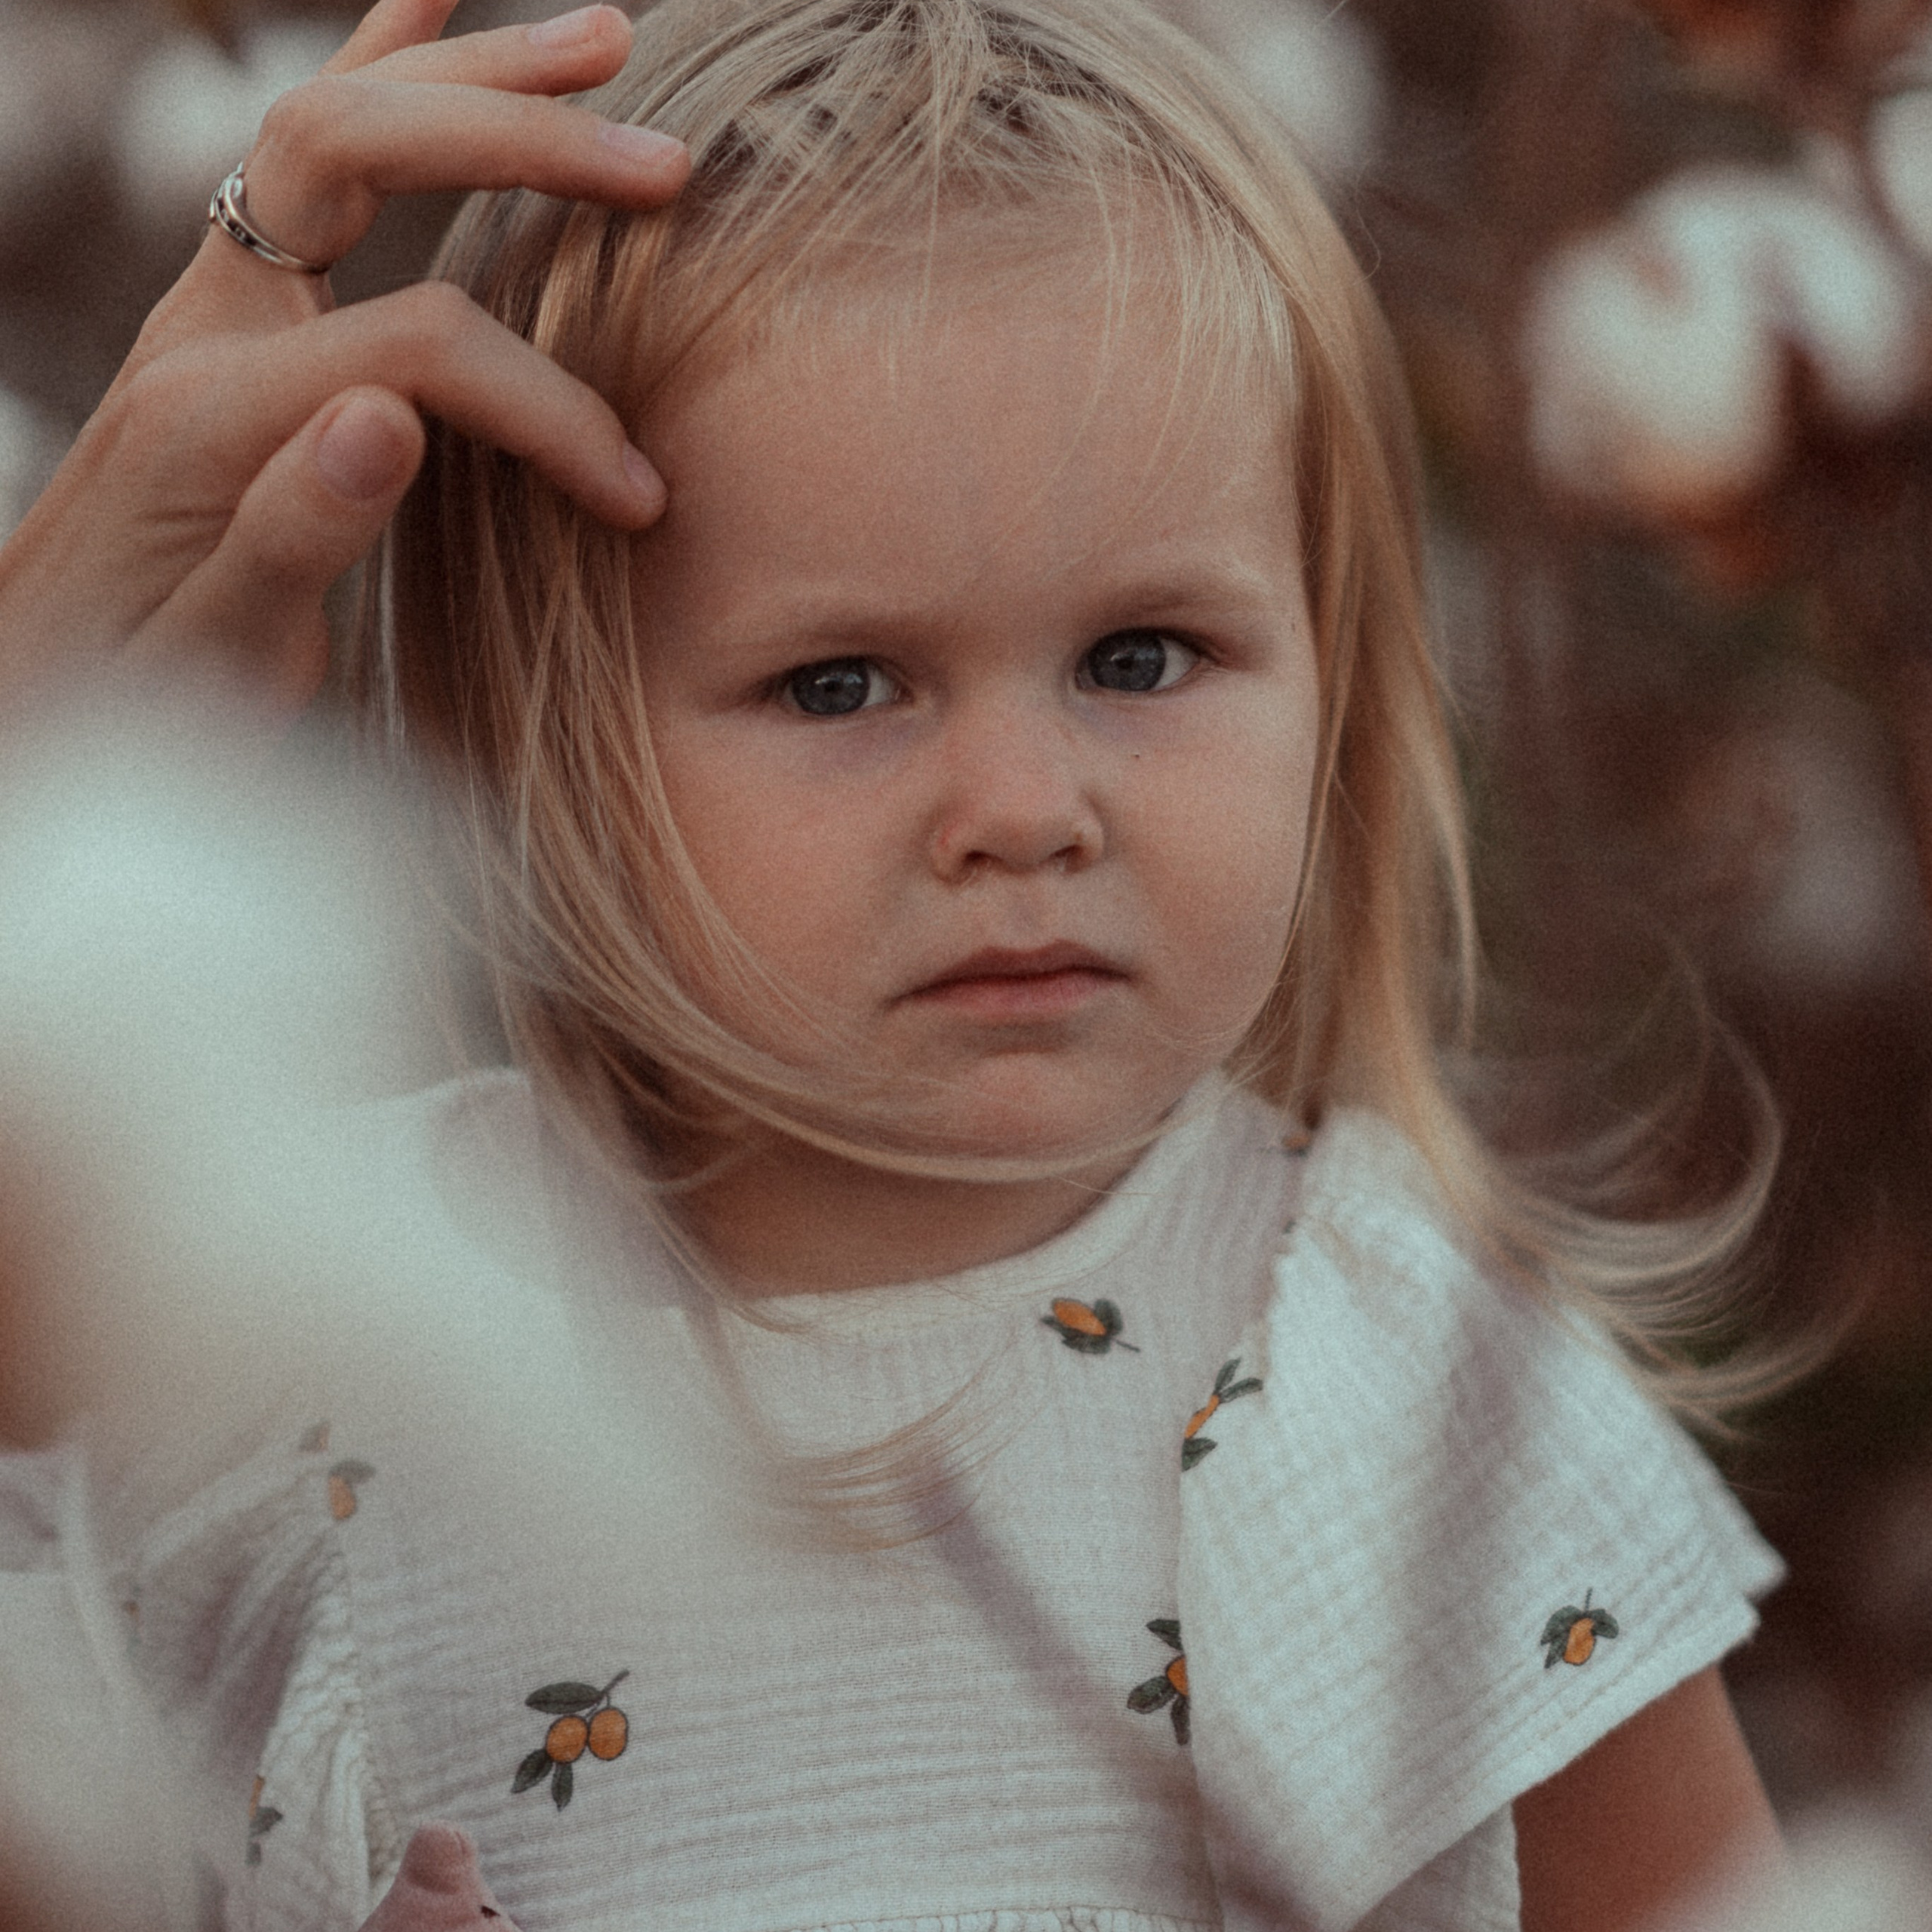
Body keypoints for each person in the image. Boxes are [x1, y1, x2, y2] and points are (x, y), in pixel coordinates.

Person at [0, 0, 1789, 1928]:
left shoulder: (1402, 1382)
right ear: (539, 733)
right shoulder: (299, 1315)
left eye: (1139, 656)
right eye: (838, 682)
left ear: (1331, 675)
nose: (1021, 808)